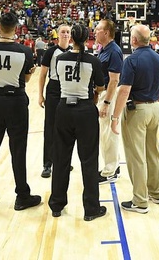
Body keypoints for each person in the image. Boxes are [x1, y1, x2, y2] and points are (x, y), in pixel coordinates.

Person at [0, 11, 41, 211]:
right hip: (16, 101)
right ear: (16, 28)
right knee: (18, 149)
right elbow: (26, 79)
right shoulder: (24, 51)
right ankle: (22, 195)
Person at [48, 24, 107, 220]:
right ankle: (91, 209)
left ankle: (56, 204)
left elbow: (58, 81)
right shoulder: (93, 61)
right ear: (87, 38)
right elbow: (100, 86)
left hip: (64, 109)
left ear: (71, 38)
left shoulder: (60, 58)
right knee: (89, 161)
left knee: (61, 159)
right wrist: (94, 95)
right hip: (85, 111)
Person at [111, 24, 159, 214]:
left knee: (136, 156)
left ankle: (140, 201)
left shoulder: (132, 60)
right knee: (153, 152)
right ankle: (156, 193)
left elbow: (124, 90)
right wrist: (157, 104)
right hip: (155, 108)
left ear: (133, 40)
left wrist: (115, 117)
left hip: (138, 110)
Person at [38, 24, 71, 178]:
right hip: (53, 88)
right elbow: (42, 75)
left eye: (68, 32)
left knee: (66, 128)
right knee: (50, 127)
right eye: (63, 32)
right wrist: (40, 94)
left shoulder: (73, 51)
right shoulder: (50, 52)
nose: (65, 34)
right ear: (58, 34)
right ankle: (47, 163)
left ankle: (63, 161)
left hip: (68, 89)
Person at [94, 19, 123, 184]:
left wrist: (106, 102)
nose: (95, 32)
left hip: (109, 95)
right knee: (105, 133)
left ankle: (110, 171)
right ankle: (114, 166)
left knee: (108, 133)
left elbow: (114, 80)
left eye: (98, 29)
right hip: (104, 94)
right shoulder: (104, 50)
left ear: (106, 32)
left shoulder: (113, 51)